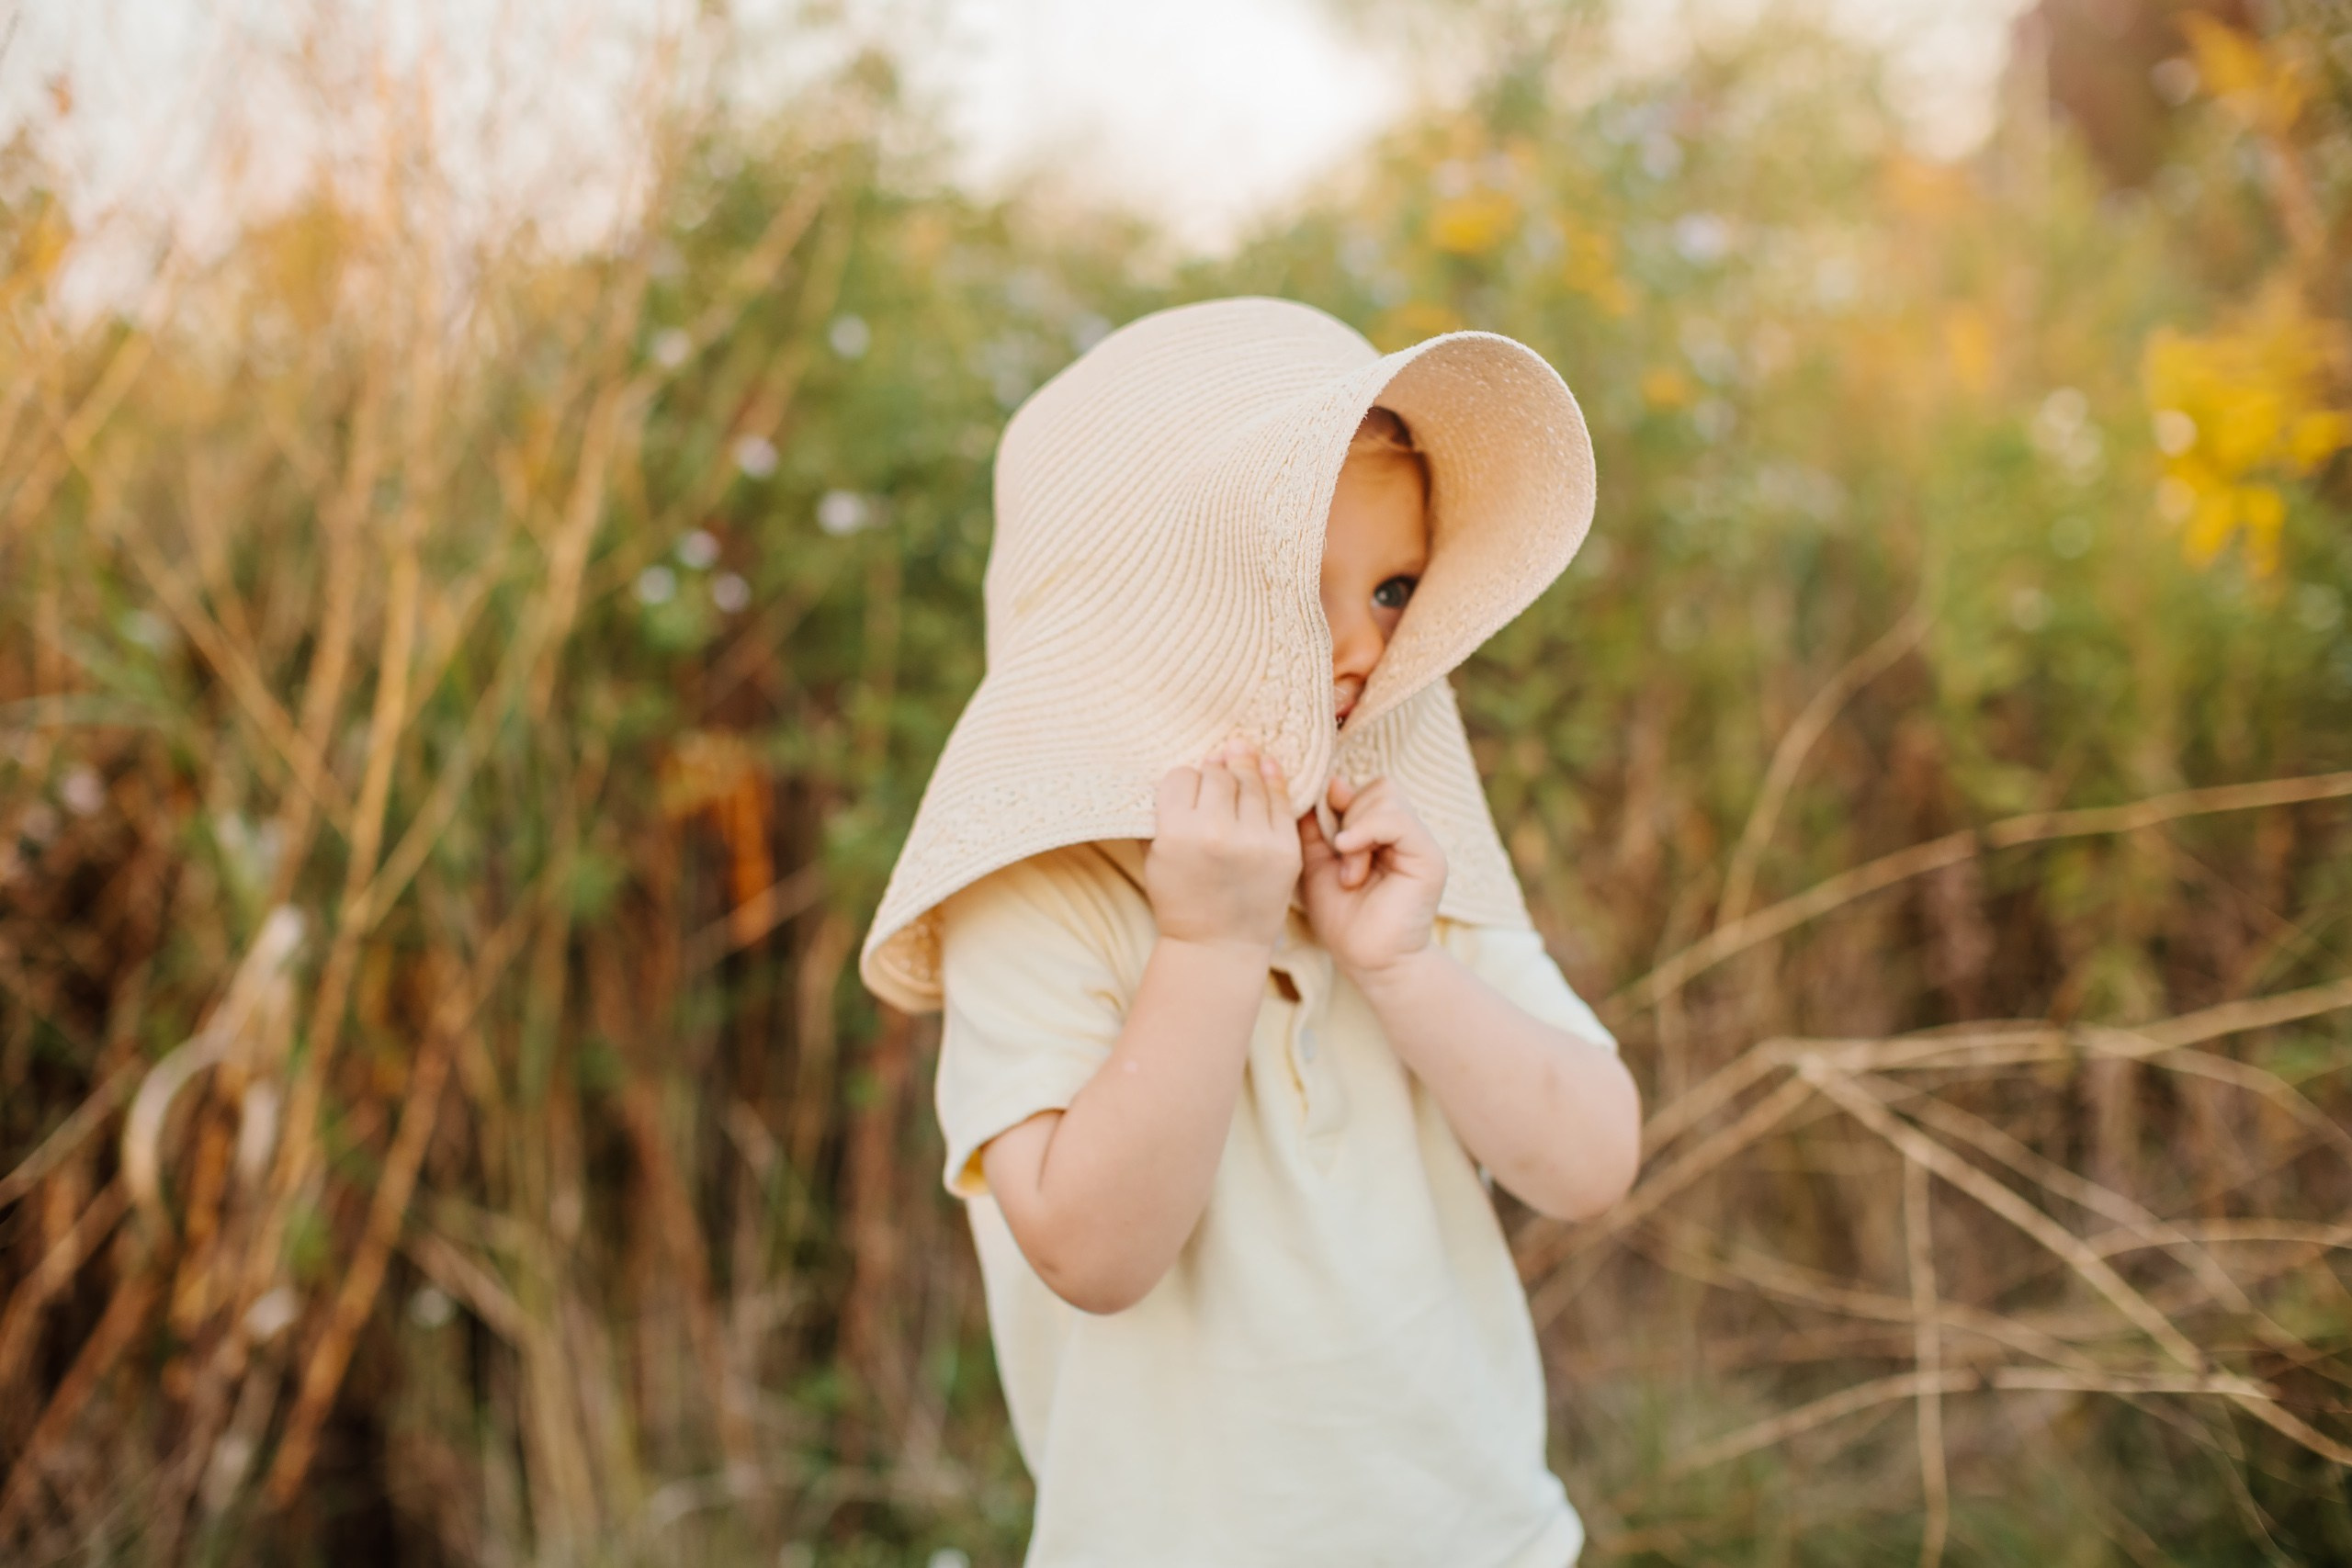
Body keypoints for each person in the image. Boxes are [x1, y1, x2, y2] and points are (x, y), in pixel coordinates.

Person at [859, 297, 1641, 1566]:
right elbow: (1093, 1253)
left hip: (1481, 1538)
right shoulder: (1041, 891)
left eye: (1394, 590)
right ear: (1132, 608)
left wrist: (1402, 963)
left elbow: (1595, 1161)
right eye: (1296, 590)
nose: (1357, 651)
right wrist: (1210, 947)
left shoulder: (1396, 839)